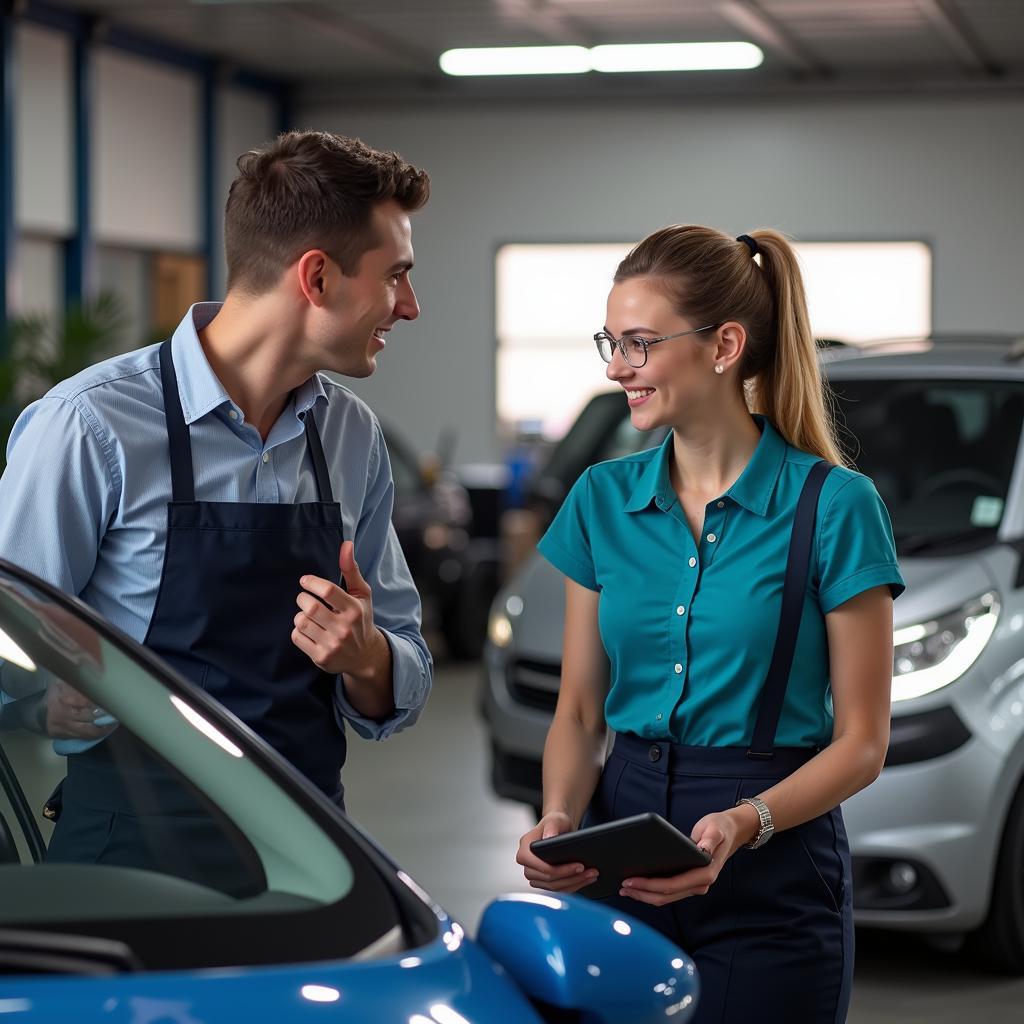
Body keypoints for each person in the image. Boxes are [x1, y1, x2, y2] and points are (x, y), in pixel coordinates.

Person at [0, 131, 434, 875]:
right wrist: (44, 705)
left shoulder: (351, 436)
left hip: (312, 861)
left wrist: (368, 657)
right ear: (317, 277)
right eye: (396, 276)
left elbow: (408, 665)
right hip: (128, 864)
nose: (411, 307)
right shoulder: (91, 425)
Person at [515, 225, 903, 1023]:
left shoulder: (834, 507)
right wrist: (559, 816)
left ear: (725, 345)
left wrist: (742, 822)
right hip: (619, 844)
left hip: (772, 863)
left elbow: (863, 742)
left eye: (639, 343)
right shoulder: (599, 498)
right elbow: (582, 712)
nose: (617, 367)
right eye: (609, 342)